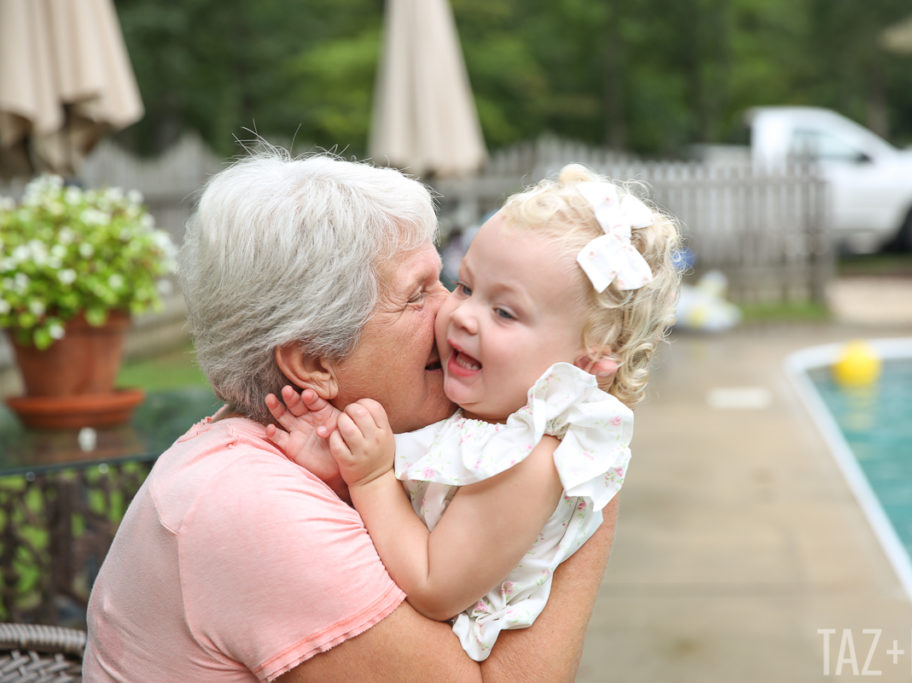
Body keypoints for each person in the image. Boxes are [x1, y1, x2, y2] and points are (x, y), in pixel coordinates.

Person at [83, 148, 619, 681]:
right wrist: (581, 463)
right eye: (418, 295)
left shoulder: (322, 452)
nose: (453, 312)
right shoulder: (250, 508)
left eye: (445, 279)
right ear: (315, 363)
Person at [265, 164, 682, 661]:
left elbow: (433, 584)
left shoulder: (528, 463)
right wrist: (341, 466)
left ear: (588, 359)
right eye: (464, 286)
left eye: (504, 312)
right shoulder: (484, 422)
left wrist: (371, 477)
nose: (461, 314)